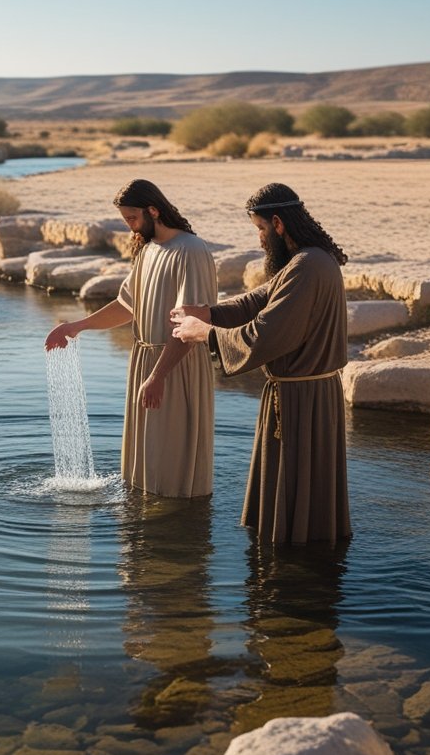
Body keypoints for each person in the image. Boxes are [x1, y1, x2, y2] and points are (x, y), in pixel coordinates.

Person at [170, 183, 350, 543]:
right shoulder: (310, 259)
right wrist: (208, 312)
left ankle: (296, 562)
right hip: (309, 394)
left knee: (294, 504)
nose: (260, 239)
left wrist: (204, 332)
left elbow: (264, 332)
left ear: (279, 223)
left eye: (261, 229)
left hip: (301, 400)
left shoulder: (307, 266)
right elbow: (258, 300)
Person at [45, 179, 217, 498]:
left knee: (169, 464)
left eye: (132, 219)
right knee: (142, 466)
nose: (130, 227)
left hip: (175, 364)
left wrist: (157, 376)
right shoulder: (148, 249)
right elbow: (128, 305)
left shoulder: (191, 251)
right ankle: (141, 524)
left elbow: (191, 324)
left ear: (153, 210)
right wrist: (76, 326)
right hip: (146, 363)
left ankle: (179, 530)